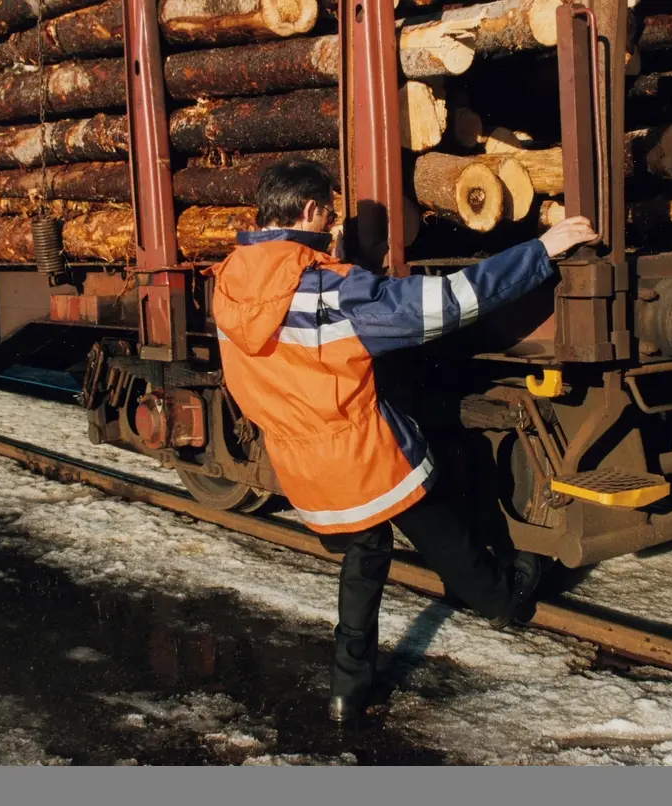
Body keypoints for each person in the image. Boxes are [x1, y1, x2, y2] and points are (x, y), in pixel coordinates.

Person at [209, 159, 599, 723]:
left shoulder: (226, 284)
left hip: (301, 459)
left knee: (367, 553)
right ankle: (503, 601)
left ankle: (348, 689)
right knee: (439, 525)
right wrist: (540, 250)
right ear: (314, 211)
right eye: (331, 215)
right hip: (368, 457)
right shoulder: (331, 291)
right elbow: (446, 302)